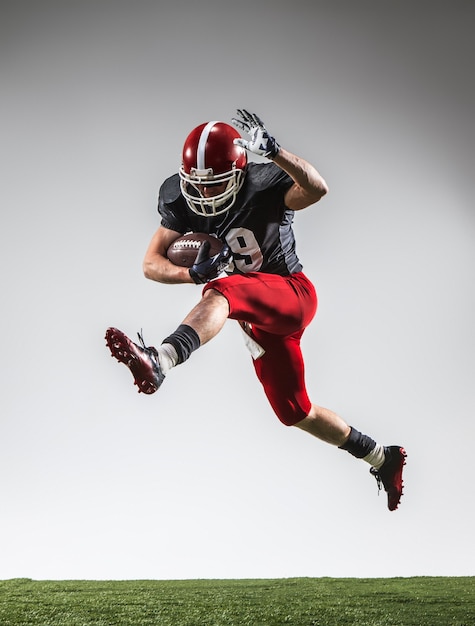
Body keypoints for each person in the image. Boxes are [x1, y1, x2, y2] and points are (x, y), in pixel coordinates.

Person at [105, 109, 406, 511]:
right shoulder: (182, 200)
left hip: (291, 296)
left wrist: (277, 152)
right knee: (294, 411)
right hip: (255, 319)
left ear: (240, 172)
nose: (205, 195)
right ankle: (381, 457)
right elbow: (151, 263)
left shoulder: (263, 184)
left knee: (221, 292)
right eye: (198, 185)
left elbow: (317, 189)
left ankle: (160, 358)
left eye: (215, 185)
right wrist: (189, 274)